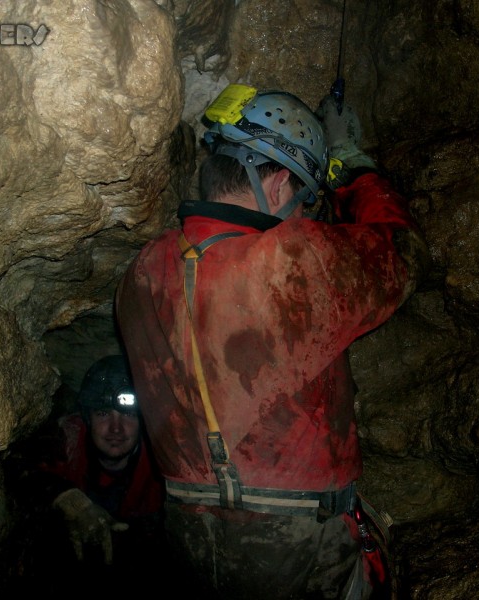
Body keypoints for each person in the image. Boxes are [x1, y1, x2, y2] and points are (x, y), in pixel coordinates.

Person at [115, 83, 429, 600]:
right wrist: (352, 166)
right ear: (280, 184)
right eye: (305, 202)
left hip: (191, 542)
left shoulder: (141, 272)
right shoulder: (298, 259)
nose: (306, 217)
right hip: (296, 545)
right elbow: (403, 253)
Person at [3, 354, 169, 597]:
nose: (116, 428)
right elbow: (16, 465)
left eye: (129, 415)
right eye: (103, 413)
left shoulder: (161, 459)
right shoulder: (66, 438)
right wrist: (67, 498)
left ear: (143, 421)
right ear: (87, 418)